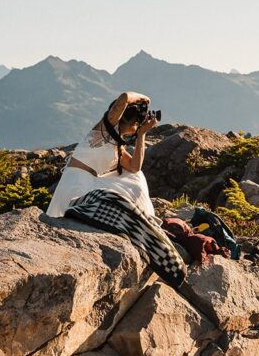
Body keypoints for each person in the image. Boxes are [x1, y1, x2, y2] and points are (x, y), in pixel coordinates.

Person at [47, 91, 188, 288]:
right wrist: (143, 98)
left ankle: (140, 217)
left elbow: (135, 167)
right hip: (76, 184)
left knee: (135, 177)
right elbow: (123, 98)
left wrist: (142, 135)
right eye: (137, 123)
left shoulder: (117, 142)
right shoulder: (104, 129)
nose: (138, 125)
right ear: (128, 119)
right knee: (130, 181)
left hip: (90, 182)